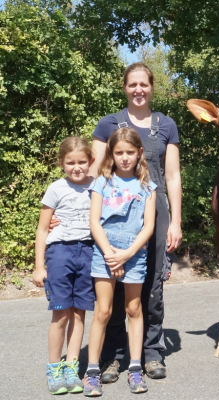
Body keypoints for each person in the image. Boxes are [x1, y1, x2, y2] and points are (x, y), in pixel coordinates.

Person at [89, 62, 182, 382]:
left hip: (153, 218)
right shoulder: (108, 124)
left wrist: (176, 221)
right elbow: (94, 174)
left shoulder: (165, 125)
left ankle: (152, 352)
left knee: (152, 286)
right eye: (133, 85)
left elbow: (172, 176)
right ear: (125, 87)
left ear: (152, 86)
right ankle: (114, 356)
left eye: (144, 84)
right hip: (112, 221)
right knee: (113, 288)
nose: (139, 90)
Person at [83, 128, 157, 396]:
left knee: (134, 309)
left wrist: (126, 254)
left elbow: (148, 227)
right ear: (111, 155)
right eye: (118, 153)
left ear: (139, 153)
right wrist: (110, 254)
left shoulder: (148, 187)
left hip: (134, 254)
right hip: (104, 254)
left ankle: (135, 368)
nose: (124, 158)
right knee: (103, 311)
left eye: (129, 152)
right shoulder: (101, 183)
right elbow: (94, 222)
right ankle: (92, 371)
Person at [33, 137, 95, 395]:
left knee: (79, 313)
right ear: (61, 163)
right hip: (60, 253)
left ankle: (72, 366)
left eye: (82, 162)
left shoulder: (98, 186)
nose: (77, 167)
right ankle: (54, 368)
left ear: (91, 162)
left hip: (89, 251)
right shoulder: (56, 188)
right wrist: (39, 265)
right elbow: (42, 228)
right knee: (60, 314)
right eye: (70, 162)